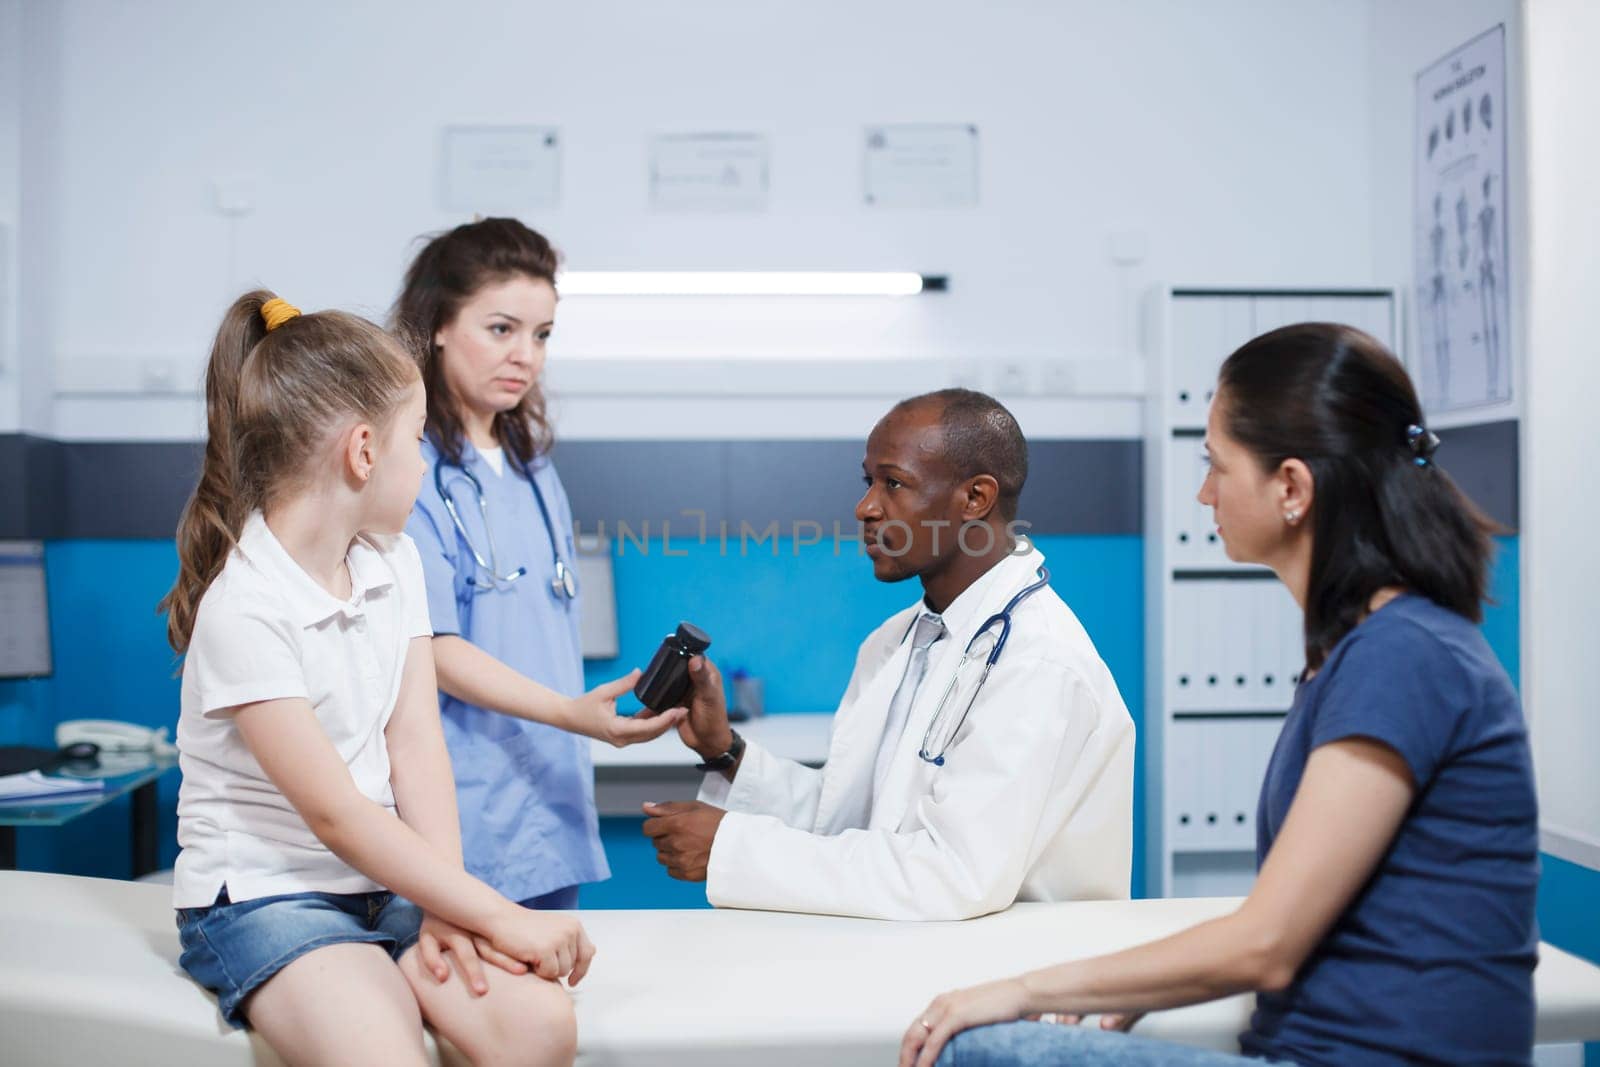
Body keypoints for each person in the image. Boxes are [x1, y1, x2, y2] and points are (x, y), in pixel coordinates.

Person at [900, 325, 1537, 1067]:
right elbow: (1310, 912)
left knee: (972, 1048)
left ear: (1292, 487)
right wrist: (1132, 984)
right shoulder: (1361, 652)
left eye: (1216, 465)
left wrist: (1020, 988)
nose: (1204, 492)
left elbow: (1267, 943)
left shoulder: (1403, 656)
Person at [162, 291, 593, 1066]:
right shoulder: (247, 606)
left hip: (381, 888)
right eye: (417, 441)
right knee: (384, 1051)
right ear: (364, 451)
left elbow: (417, 744)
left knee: (541, 1026)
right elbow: (336, 817)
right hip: (268, 896)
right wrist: (497, 914)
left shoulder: (392, 564)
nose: (425, 462)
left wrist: (446, 902)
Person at [641, 388, 1135, 920]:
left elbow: (951, 876)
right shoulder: (897, 640)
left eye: (893, 483)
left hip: (1022, 982)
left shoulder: (1038, 664)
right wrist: (726, 752)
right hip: (919, 963)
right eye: (868, 481)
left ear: (975, 498)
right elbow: (854, 821)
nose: (865, 507)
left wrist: (733, 848)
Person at [394, 218, 684, 911]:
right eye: (501, 329)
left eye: (543, 334)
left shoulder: (532, 468)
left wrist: (575, 715)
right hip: (462, 803)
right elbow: (430, 648)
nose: (525, 354)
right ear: (437, 324)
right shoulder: (409, 471)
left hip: (550, 795)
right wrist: (566, 711)